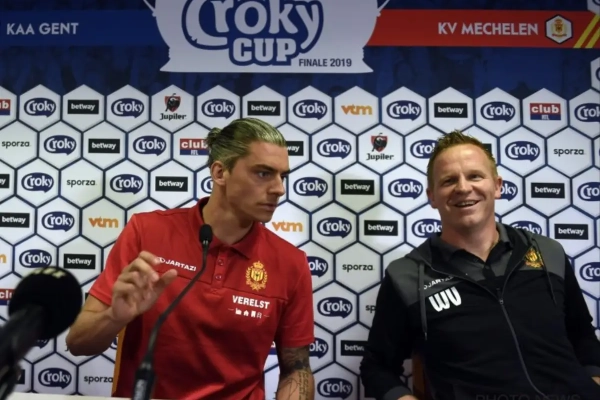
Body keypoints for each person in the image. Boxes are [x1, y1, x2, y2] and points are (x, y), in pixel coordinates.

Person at [66, 118, 316, 400]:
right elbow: (78, 343)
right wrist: (114, 317)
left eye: (283, 176)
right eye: (263, 173)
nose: (279, 189)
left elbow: (297, 369)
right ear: (220, 173)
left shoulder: (291, 263)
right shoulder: (146, 232)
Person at [360, 130, 600, 400]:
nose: (463, 188)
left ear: (497, 186)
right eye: (449, 180)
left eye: (475, 176)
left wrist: (593, 382)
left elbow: (582, 335)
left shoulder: (548, 252)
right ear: (432, 196)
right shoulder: (406, 276)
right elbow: (377, 367)